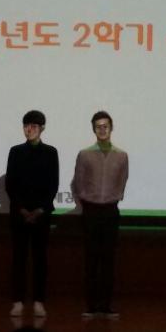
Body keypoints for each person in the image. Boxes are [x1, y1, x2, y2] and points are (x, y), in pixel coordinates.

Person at [72, 111, 128, 320]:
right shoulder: (84, 154)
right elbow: (78, 183)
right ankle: (91, 305)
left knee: (108, 260)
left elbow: (122, 180)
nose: (102, 129)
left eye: (105, 126)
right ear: (93, 129)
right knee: (91, 259)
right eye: (98, 126)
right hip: (91, 211)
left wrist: (113, 197)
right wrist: (88, 201)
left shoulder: (122, 155)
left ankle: (106, 306)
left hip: (110, 211)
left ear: (111, 128)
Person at [6, 110, 59, 317]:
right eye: (26, 126)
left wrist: (39, 210)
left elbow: (53, 184)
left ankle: (39, 301)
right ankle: (17, 301)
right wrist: (21, 209)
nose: (29, 129)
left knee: (40, 259)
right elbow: (10, 184)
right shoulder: (15, 151)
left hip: (41, 214)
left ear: (42, 128)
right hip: (18, 213)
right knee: (18, 258)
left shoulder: (50, 152)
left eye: (34, 126)